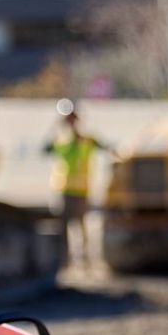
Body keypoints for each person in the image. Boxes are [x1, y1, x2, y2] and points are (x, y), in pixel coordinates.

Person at [44, 99, 100, 269]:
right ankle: (65, 262)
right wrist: (55, 129)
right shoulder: (61, 140)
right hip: (65, 189)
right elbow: (45, 149)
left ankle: (86, 262)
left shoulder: (86, 140)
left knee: (81, 228)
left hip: (81, 190)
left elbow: (99, 145)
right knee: (64, 229)